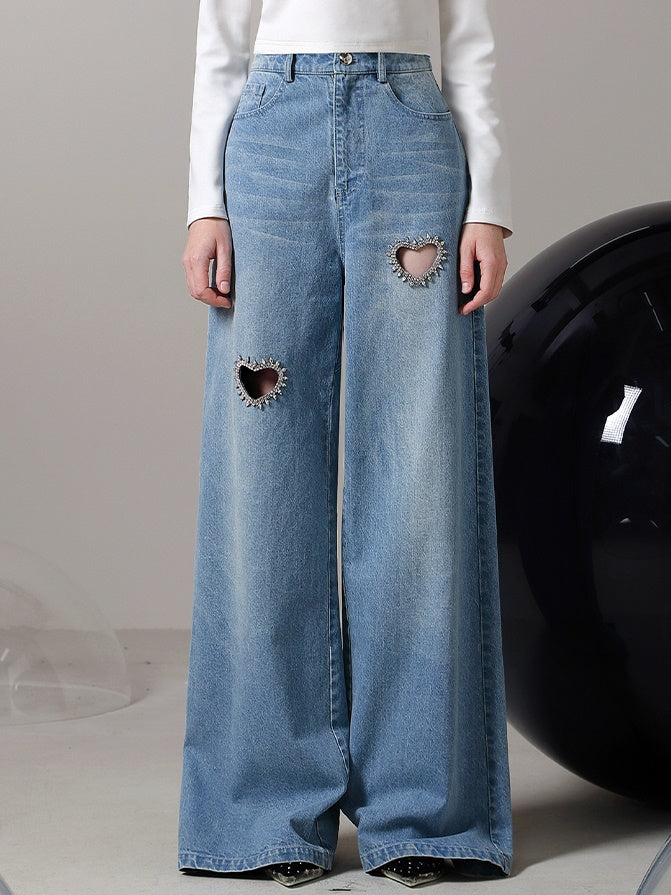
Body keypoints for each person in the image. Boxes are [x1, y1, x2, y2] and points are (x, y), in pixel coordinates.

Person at [178, 0, 514, 888]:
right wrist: (204, 204)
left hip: (411, 130)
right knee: (261, 480)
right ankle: (260, 815)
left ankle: (424, 813)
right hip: (270, 134)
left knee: (418, 471)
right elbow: (220, 35)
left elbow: (467, 31)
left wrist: (489, 202)